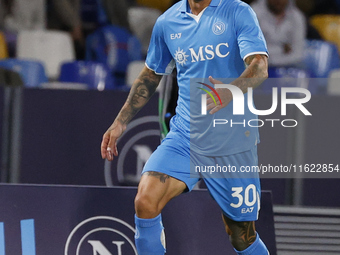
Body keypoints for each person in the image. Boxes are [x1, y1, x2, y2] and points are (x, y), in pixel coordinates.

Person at [101, 0, 269, 254]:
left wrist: (230, 91)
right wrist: (119, 122)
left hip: (232, 141)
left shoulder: (238, 12)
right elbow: (149, 75)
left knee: (241, 236)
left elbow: (259, 66)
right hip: (185, 137)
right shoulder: (167, 22)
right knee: (146, 201)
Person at [252, 0, 306, 67]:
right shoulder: (253, 14)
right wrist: (281, 50)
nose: (278, 1)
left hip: (288, 69)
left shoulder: (297, 17)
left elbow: (298, 54)